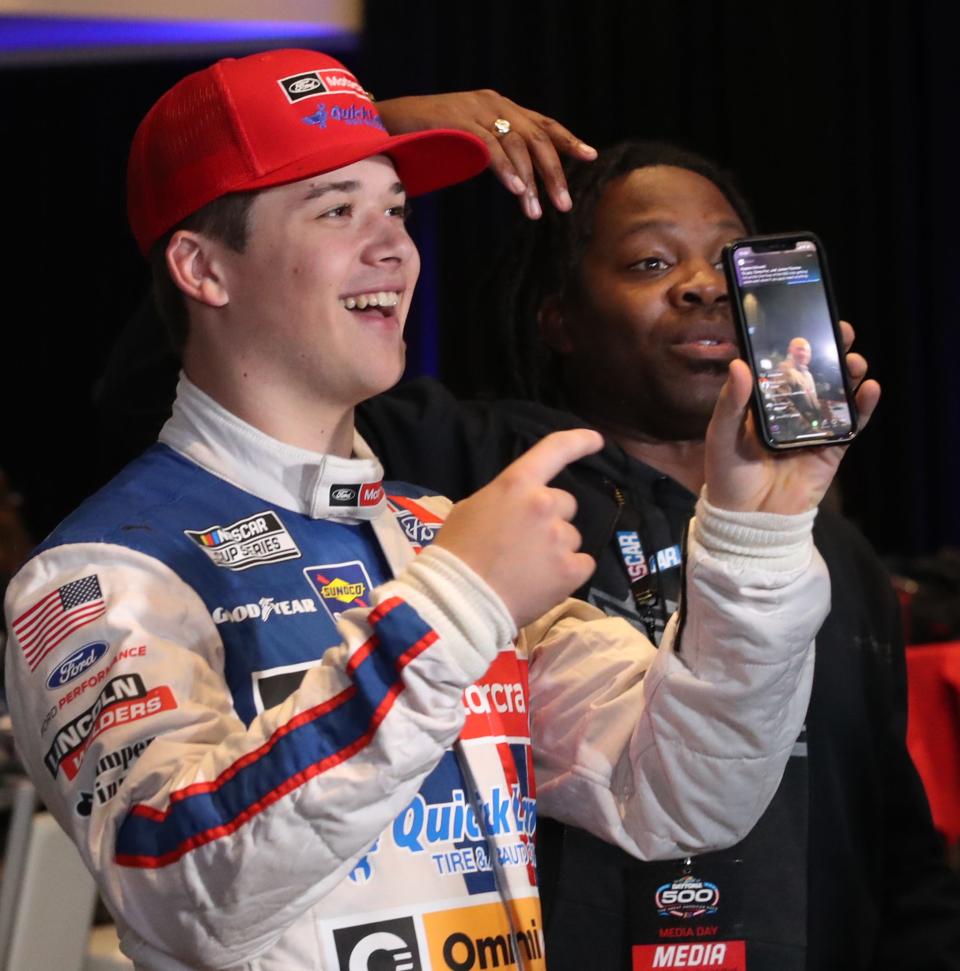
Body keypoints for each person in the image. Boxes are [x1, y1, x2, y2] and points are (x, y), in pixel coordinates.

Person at [2, 54, 852, 971]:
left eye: (396, 210)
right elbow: (177, 891)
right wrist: (453, 606)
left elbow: (683, 793)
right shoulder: (99, 573)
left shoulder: (441, 532)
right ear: (204, 269)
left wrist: (750, 537)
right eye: (338, 211)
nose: (396, 249)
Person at [357, 140, 960, 970]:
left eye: (729, 260)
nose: (705, 284)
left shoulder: (832, 551)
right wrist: (366, 138)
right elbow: (194, 381)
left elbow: (896, 847)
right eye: (649, 261)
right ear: (558, 315)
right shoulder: (486, 468)